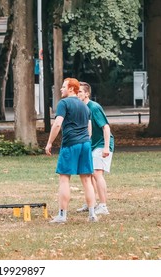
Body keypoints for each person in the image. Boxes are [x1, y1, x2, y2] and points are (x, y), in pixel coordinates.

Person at [45, 78, 98, 223]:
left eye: (63, 87)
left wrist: (49, 143)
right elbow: (89, 129)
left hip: (70, 144)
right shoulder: (85, 106)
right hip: (85, 144)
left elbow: (57, 124)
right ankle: (92, 214)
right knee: (87, 180)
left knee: (64, 179)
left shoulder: (64, 103)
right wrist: (85, 139)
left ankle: (62, 215)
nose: (61, 89)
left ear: (71, 89)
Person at [76, 82, 114, 215]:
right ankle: (90, 203)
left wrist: (106, 147)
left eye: (80, 91)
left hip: (102, 144)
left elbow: (106, 127)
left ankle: (103, 206)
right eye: (76, 92)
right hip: (91, 145)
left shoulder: (94, 107)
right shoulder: (81, 108)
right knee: (88, 174)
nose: (77, 94)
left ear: (87, 93)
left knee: (97, 173)